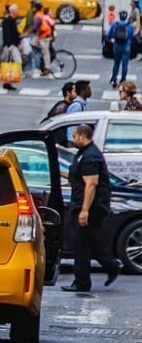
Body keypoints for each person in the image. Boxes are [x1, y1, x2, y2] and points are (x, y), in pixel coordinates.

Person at [61, 123, 122, 292]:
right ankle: (111, 266)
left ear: (83, 136)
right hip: (82, 203)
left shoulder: (90, 156)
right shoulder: (83, 153)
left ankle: (82, 282)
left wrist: (85, 210)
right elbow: (79, 176)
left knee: (81, 244)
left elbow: (91, 184)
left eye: (74, 136)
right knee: (90, 241)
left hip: (90, 206)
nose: (73, 140)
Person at [106, 9, 133, 88]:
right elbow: (131, 36)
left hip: (117, 45)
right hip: (126, 46)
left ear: (119, 16)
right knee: (125, 64)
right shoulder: (130, 26)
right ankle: (123, 79)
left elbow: (109, 36)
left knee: (116, 62)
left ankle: (114, 78)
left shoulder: (115, 24)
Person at [25, 1, 53, 76]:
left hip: (45, 35)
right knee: (32, 42)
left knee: (45, 51)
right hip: (41, 35)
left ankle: (48, 68)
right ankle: (40, 53)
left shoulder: (38, 16)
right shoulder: (39, 14)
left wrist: (27, 33)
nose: (32, 8)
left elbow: (34, 26)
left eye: (33, 7)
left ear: (36, 8)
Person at [0, 3, 23, 91]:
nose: (18, 12)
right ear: (13, 11)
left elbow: (15, 34)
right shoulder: (8, 20)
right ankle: (8, 81)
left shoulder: (12, 20)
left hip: (13, 44)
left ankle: (7, 82)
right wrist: (9, 45)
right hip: (10, 45)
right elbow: (7, 34)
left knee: (9, 62)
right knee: (16, 61)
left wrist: (19, 43)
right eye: (17, 10)